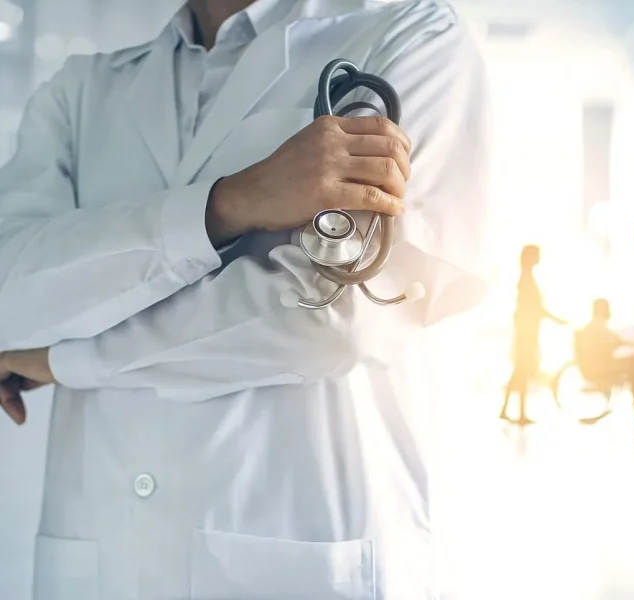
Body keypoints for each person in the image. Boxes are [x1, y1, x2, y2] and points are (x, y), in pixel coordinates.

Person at [0, 1, 489, 598]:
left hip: (297, 548)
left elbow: (332, 320)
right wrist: (229, 203)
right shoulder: (81, 89)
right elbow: (7, 297)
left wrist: (65, 358)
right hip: (100, 556)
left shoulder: (410, 33)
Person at [501, 244, 565, 425]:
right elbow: (534, 308)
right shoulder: (526, 280)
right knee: (521, 371)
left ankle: (510, 410)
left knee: (519, 372)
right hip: (526, 334)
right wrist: (557, 320)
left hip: (526, 332)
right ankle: (517, 412)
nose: (539, 258)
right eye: (537, 255)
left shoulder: (526, 278)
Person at [575, 298, 625, 389]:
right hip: (600, 369)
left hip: (590, 368)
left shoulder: (590, 327)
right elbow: (615, 339)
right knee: (633, 365)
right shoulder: (598, 325)